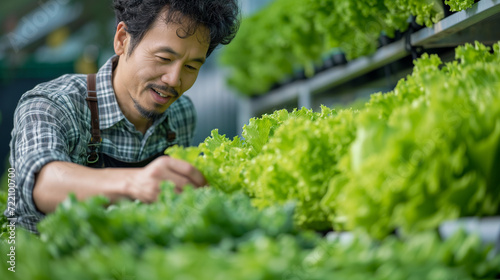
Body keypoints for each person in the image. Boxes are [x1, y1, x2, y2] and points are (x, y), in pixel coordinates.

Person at [6, 0, 240, 233]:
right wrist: (135, 183)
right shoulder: (53, 104)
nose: (174, 80)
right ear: (122, 40)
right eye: (164, 58)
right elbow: (41, 183)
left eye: (191, 67)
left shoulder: (181, 113)